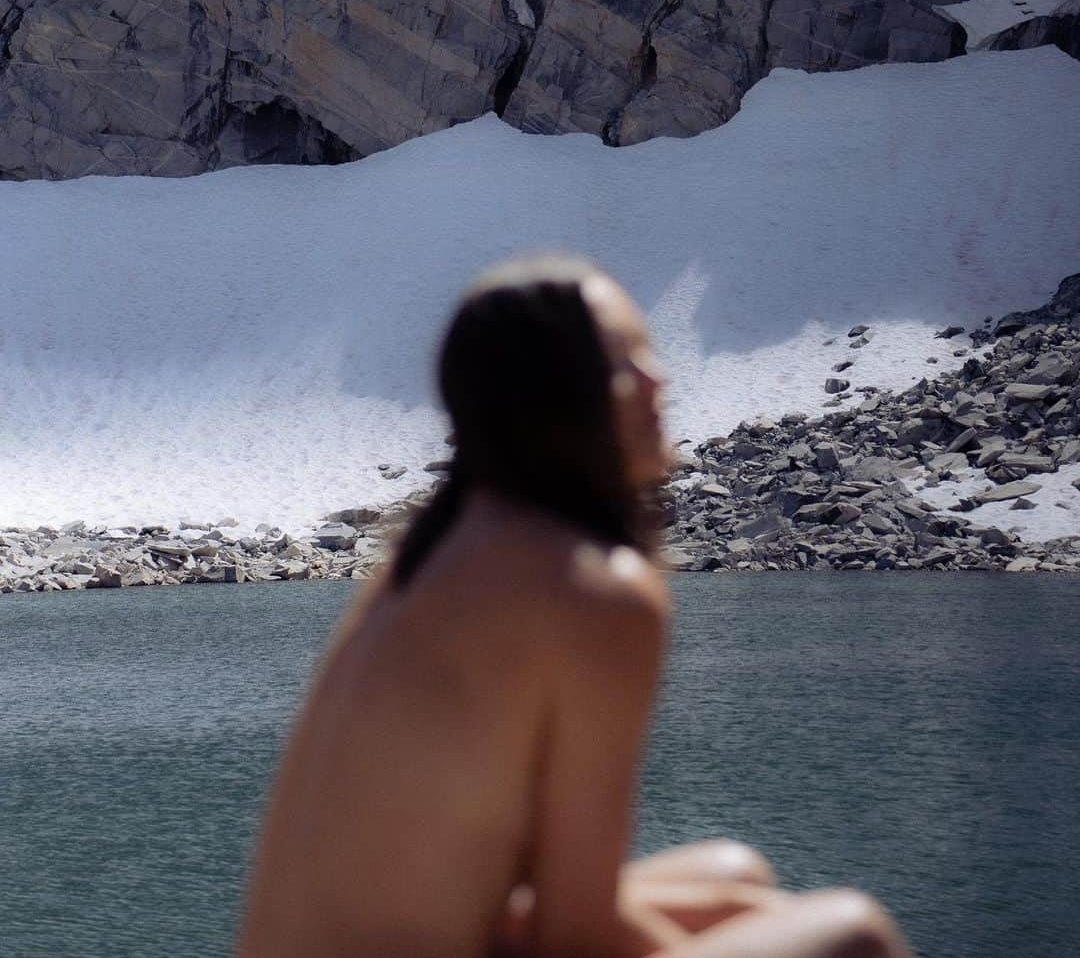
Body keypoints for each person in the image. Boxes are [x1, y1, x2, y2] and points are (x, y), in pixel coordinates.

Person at [237, 255, 910, 958]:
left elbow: (531, 908)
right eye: (623, 362)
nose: (659, 379)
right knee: (854, 934)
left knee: (736, 872)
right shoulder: (596, 592)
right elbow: (574, 933)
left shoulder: (425, 556)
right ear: (552, 401)